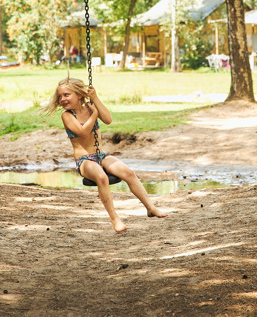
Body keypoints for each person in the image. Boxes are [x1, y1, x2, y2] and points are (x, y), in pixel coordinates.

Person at [42, 77, 167, 233]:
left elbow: (108, 119)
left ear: (79, 95)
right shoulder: (67, 116)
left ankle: (150, 207)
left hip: (100, 155)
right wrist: (94, 114)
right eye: (60, 96)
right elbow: (83, 132)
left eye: (66, 95)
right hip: (84, 160)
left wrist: (95, 99)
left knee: (128, 172)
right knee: (102, 177)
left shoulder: (90, 107)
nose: (62, 99)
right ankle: (115, 219)